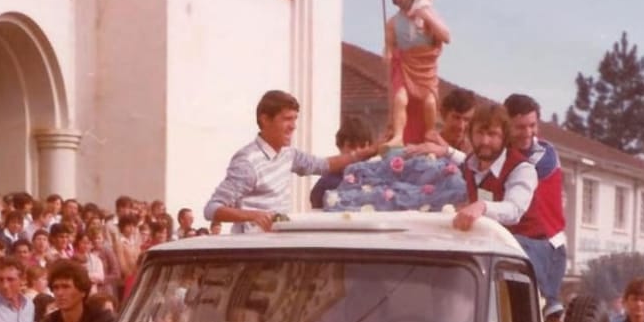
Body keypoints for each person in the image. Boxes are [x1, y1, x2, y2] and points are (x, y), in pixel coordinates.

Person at [204, 90, 377, 235]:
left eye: (295, 119)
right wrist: (253, 215)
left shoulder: (289, 154)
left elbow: (323, 165)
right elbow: (211, 209)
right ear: (265, 120)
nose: (293, 126)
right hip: (251, 250)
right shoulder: (247, 163)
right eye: (287, 119)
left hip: (278, 245)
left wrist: (371, 151)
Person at [502, 94, 568, 321]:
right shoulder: (501, 155)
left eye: (532, 125)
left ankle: (550, 308)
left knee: (529, 309)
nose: (528, 133)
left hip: (545, 243)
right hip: (516, 237)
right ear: (506, 126)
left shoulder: (544, 154)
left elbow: (505, 172)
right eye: (520, 127)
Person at [383, 0, 451, 149]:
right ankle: (398, 136)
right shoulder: (392, 23)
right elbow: (389, 45)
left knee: (429, 102)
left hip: (425, 65)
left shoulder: (426, 13)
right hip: (405, 64)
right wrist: (388, 54)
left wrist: (426, 15)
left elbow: (446, 36)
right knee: (400, 98)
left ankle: (429, 135)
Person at [310, 116, 376, 209]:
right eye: (352, 146)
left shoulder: (377, 179)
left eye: (362, 146)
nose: (358, 151)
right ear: (340, 146)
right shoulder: (326, 184)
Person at [405, 86, 476, 165]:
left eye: (466, 120)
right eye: (456, 117)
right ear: (443, 114)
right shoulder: (425, 141)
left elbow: (468, 167)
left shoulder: (472, 150)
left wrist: (443, 146)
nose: (461, 126)